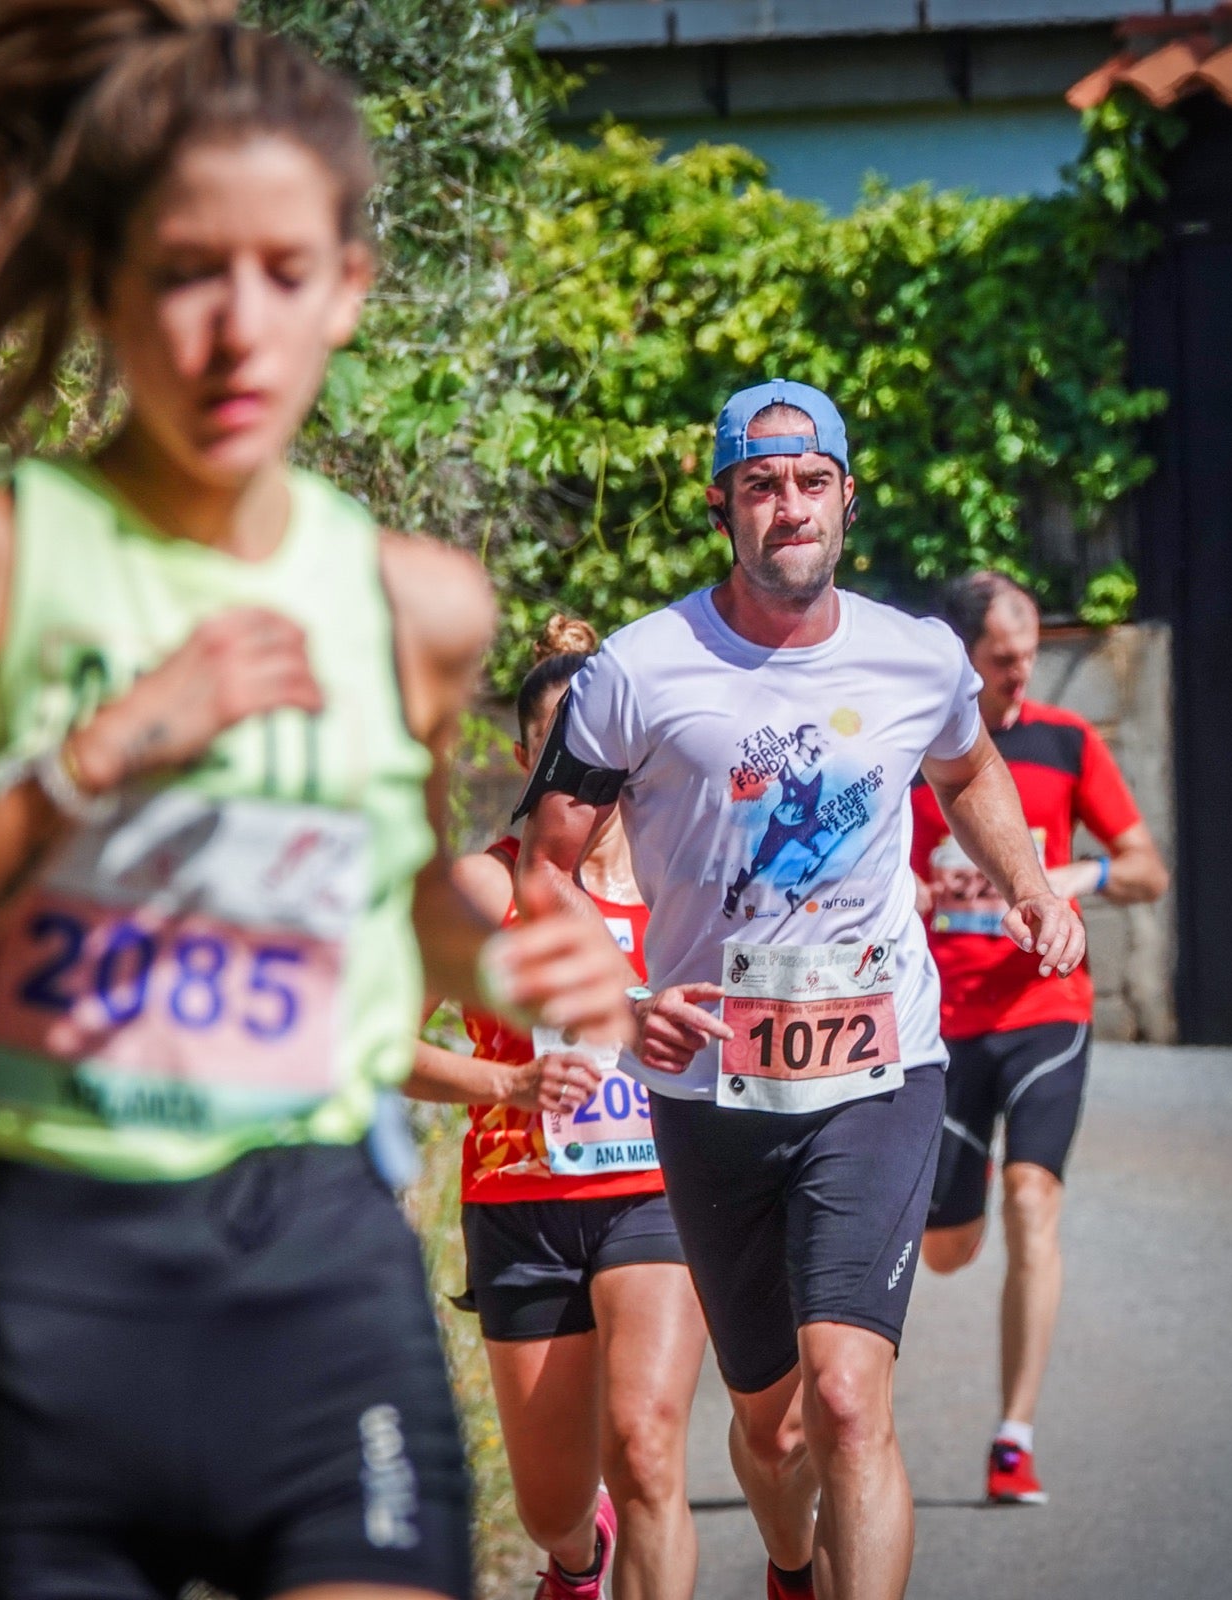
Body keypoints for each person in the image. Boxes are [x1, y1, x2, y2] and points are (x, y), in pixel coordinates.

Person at [0, 6, 633, 1599]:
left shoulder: (417, 607)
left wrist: (514, 960)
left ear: (348, 292)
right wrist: (94, 758)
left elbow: (393, 906)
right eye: (184, 271)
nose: (232, 332)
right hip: (64, 1315)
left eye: (281, 272)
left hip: (324, 1293)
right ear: (106, 280)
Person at [513, 378, 1086, 1600]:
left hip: (878, 1065)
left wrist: (1031, 883)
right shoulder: (637, 670)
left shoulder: (915, 654)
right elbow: (544, 869)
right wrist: (619, 1000)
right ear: (723, 505)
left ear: (846, 500)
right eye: (761, 485)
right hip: (709, 1086)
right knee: (771, 1428)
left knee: (844, 1395)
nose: (789, 507)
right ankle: (788, 1566)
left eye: (811, 482)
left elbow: (970, 768)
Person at [406, 615, 706, 1600]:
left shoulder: (687, 888)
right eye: (558, 749)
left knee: (648, 1446)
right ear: (527, 755)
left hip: (658, 1197)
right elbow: (378, 1046)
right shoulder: (479, 887)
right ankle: (574, 1566)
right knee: (552, 1508)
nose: (585, 772)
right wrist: (507, 1083)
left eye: (603, 749)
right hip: (520, 1206)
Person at [912, 571, 1169, 1506]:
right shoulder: (916, 752)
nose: (1023, 676)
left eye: (1028, 658)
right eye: (1003, 662)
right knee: (948, 1249)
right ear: (962, 658)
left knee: (1034, 1202)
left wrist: (1071, 874)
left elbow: (1149, 870)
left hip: (1044, 1018)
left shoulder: (1068, 742)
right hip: (941, 1026)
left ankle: (1013, 1437)